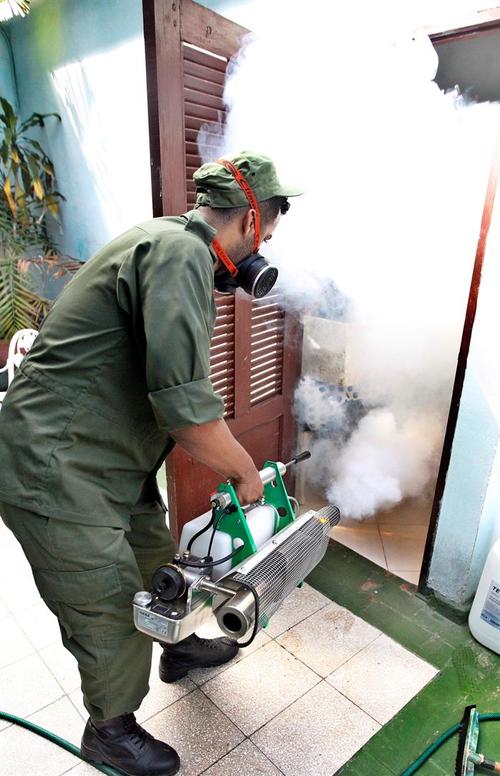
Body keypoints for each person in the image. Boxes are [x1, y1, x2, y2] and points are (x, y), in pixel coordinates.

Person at [0, 151, 302, 776]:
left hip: (109, 461)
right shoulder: (180, 255)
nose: (264, 246)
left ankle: (179, 647)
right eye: (267, 232)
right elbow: (187, 412)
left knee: (157, 564)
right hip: (54, 466)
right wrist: (246, 474)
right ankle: (110, 731)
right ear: (250, 219)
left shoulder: (173, 243)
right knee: (106, 601)